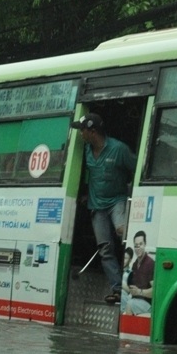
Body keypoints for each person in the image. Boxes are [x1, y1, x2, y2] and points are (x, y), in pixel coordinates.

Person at [72, 112, 137, 304]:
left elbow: (136, 169)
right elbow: (89, 175)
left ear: (92, 131)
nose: (80, 134)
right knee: (105, 249)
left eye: (82, 130)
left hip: (117, 201)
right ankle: (117, 290)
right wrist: (85, 194)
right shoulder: (87, 150)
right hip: (97, 207)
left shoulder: (119, 149)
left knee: (123, 235)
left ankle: (132, 285)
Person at [121, 231, 154, 316]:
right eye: (136, 245)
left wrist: (139, 292)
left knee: (130, 304)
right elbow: (132, 289)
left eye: (140, 244)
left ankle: (127, 328)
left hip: (146, 303)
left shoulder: (150, 263)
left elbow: (155, 291)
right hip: (135, 299)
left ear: (145, 244)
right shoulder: (135, 264)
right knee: (120, 297)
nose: (138, 247)